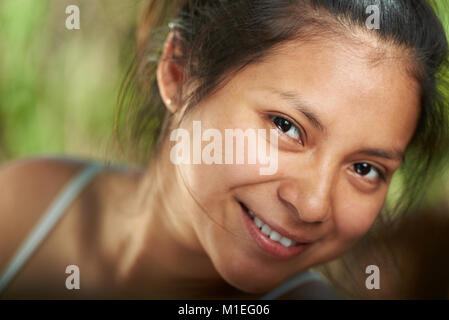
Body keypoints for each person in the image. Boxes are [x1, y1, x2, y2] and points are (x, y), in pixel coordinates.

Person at [0, 0, 448, 299]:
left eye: (367, 169)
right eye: (286, 126)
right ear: (179, 72)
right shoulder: (24, 205)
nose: (313, 205)